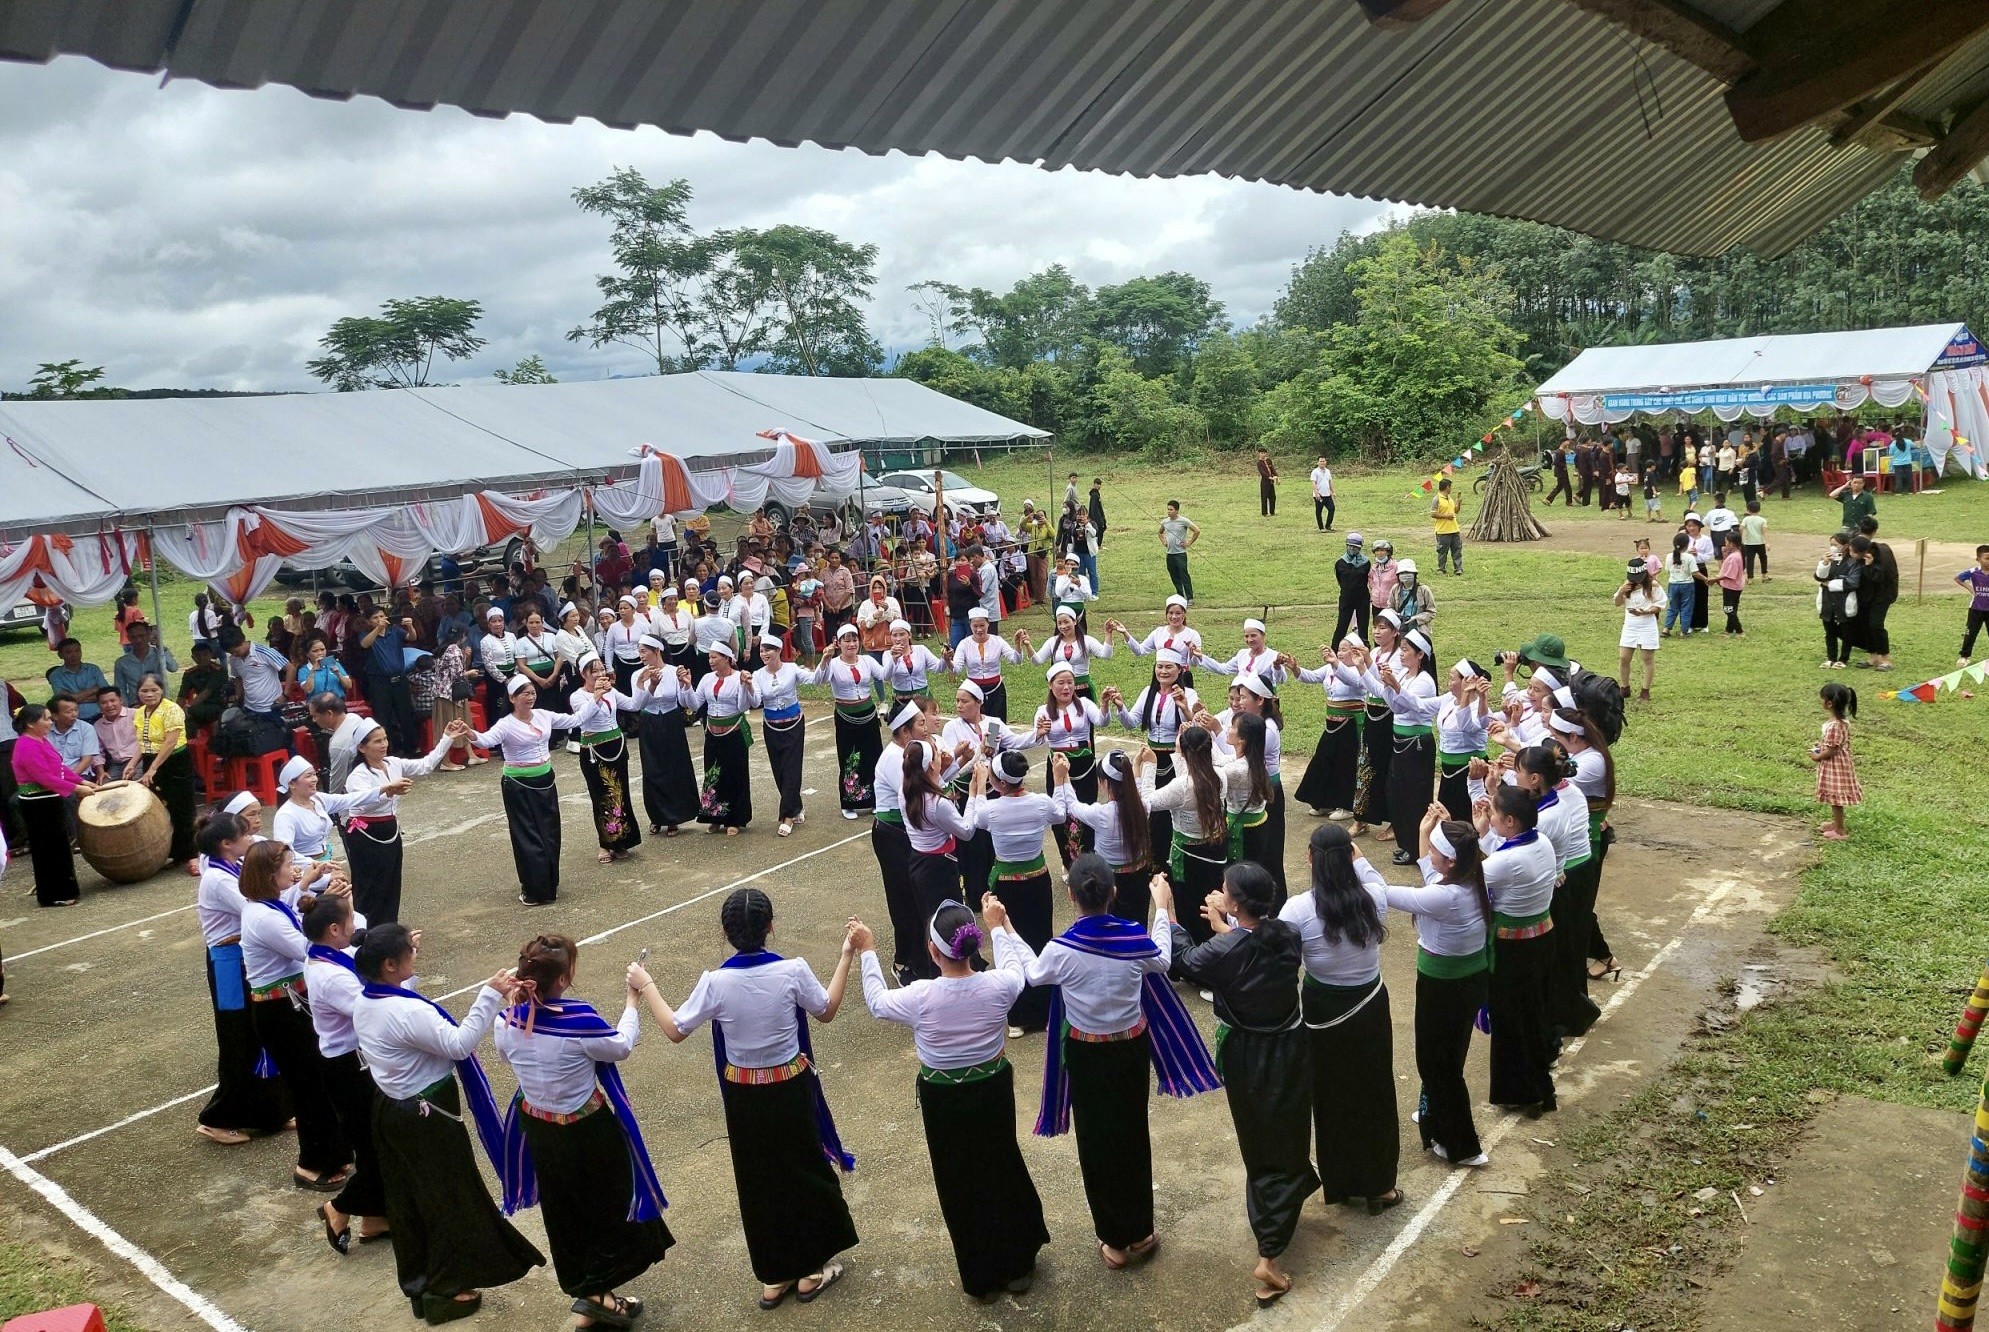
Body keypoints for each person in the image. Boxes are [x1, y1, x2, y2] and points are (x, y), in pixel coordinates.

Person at [630, 888, 858, 1309]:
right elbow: (826, 1010)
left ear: (725, 932)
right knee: (804, 1169)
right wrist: (846, 955)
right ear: (771, 927)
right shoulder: (792, 970)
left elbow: (675, 1029)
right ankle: (810, 1269)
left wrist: (647, 986)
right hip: (789, 1086)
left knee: (758, 1178)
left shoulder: (715, 982)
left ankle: (774, 1275)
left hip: (744, 1094)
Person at [1004, 854, 1216, 1269]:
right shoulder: (1133, 938)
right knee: (1132, 1135)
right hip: (1130, 1050)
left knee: (1097, 1143)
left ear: (1071, 896)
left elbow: (1032, 974)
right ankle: (1140, 1231)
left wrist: (1007, 930)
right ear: (1114, 893)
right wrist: (1161, 907)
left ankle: (1114, 1241)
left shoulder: (1061, 950)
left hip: (1087, 1054)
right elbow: (1162, 957)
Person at [851, 901, 1046, 1302]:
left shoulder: (920, 996)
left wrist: (868, 950)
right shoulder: (998, 986)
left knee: (958, 1180)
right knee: (1001, 1165)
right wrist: (999, 925)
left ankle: (980, 1275)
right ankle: (1017, 1265)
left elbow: (875, 1002)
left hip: (943, 1098)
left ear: (932, 951)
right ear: (971, 947)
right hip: (991, 1088)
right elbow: (1016, 968)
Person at [352, 923, 545, 1324]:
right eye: (409, 952)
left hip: (392, 1108)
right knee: (446, 1198)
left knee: (409, 1200)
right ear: (390, 965)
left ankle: (422, 1282)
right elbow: (458, 1043)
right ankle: (444, 1285)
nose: (415, 954)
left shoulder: (369, 998)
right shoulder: (405, 1011)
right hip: (426, 1114)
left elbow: (406, 1002)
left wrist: (404, 954)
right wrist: (489, 995)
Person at [494, 935, 672, 1329]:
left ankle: (590, 1291)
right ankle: (598, 1294)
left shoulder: (506, 1019)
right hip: (587, 1131)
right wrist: (631, 1002)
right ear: (562, 980)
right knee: (610, 1207)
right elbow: (621, 1046)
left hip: (539, 1127)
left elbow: (507, 1056)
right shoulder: (579, 1021)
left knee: (564, 1211)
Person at [1168, 861, 1315, 1307]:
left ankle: (1270, 1247)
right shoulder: (1286, 933)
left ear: (1233, 902)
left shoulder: (1226, 949)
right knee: (1286, 1134)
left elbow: (1185, 961)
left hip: (1248, 1055)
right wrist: (1226, 924)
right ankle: (1277, 1228)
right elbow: (1252, 943)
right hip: (1291, 1048)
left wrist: (1167, 915)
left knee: (1261, 1142)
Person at [1280, 824, 1400, 1214]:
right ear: (1350, 856)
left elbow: (1278, 958)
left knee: (1330, 1096)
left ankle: (1340, 1182)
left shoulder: (1297, 910)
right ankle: (1380, 1185)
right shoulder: (1374, 898)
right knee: (1375, 1091)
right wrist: (1356, 855)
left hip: (1322, 1008)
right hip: (1368, 1005)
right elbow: (1373, 877)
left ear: (1310, 859)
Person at [237, 841, 352, 1191]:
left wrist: (305, 889)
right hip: (280, 1010)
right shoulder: (263, 917)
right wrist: (330, 910)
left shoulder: (267, 905)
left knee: (316, 1080)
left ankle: (334, 1148)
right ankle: (312, 1162)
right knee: (309, 1085)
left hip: (290, 1005)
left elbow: (288, 909)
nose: (295, 870)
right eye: (289, 866)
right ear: (271, 875)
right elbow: (307, 947)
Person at [1385, 808, 1491, 1167]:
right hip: (1469, 978)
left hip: (1443, 986)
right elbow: (1430, 873)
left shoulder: (1446, 898)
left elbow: (1388, 894)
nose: (1427, 855)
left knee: (1435, 1064)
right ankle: (1433, 1119)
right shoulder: (1475, 875)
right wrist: (1424, 829)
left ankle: (1463, 1145)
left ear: (1450, 861)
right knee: (1448, 1057)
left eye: (1434, 850)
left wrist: (1352, 864)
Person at [193, 813, 294, 1145]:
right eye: (245, 835)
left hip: (243, 959)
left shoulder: (230, 868)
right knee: (237, 1038)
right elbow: (256, 909)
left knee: (260, 1035)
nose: (251, 838)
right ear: (226, 844)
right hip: (228, 966)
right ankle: (217, 1118)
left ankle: (270, 1112)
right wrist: (299, 886)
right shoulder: (218, 879)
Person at [301, 893, 390, 1251]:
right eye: (350, 921)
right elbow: (369, 1011)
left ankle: (376, 1219)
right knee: (376, 1147)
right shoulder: (330, 975)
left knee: (374, 1144)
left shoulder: (330, 954)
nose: (356, 927)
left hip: (351, 1062)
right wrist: (394, 971)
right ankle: (338, 1207)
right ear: (334, 929)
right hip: (349, 1067)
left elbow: (362, 934)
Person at [971, 749, 1074, 1034]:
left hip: (1006, 883)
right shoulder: (1040, 803)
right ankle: (1044, 1011)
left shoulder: (991, 809)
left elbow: (975, 818)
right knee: (1040, 941)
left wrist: (978, 785)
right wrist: (1059, 779)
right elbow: (1060, 813)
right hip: (1037, 880)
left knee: (1009, 944)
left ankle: (1017, 1016)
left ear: (1000, 783)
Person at [342, 715, 467, 923]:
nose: (384, 745)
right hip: (365, 834)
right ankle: (365, 933)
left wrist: (447, 738)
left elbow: (425, 766)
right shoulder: (358, 775)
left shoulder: (393, 763)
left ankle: (388, 928)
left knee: (391, 882)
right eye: (377, 741)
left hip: (389, 829)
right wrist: (388, 790)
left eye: (385, 739)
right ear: (362, 748)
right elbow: (361, 800)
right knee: (369, 886)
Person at [472, 678, 584, 905]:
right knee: (528, 837)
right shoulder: (505, 724)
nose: (531, 697)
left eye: (532, 692)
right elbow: (486, 741)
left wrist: (597, 697)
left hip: (545, 780)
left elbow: (576, 719)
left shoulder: (544, 715)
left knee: (550, 834)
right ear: (512, 698)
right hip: (519, 786)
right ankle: (534, 889)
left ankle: (549, 883)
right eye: (525, 694)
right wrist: (469, 733)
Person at [1137, 726, 1230, 947]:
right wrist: (1181, 751)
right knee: (1210, 902)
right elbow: (1188, 780)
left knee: (1189, 906)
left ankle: (1191, 956)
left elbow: (1148, 801)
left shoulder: (1182, 787)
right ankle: (1213, 947)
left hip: (1188, 856)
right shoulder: (1220, 775)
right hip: (1215, 848)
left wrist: (1150, 765)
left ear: (1186, 752)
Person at [11, 704, 99, 906]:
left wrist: (81, 781)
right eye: (47, 719)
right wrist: (77, 789)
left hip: (49, 800)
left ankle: (65, 889)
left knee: (59, 846)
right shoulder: (26, 746)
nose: (51, 722)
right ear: (32, 723)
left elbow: (58, 768)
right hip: (37, 804)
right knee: (47, 848)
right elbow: (45, 777)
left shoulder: (40, 740)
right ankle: (53, 894)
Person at [564, 656, 642, 863]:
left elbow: (634, 704)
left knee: (621, 792)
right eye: (594, 671)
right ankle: (605, 843)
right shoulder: (577, 696)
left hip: (616, 744)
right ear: (583, 674)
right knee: (601, 796)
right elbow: (583, 718)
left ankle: (622, 840)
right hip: (593, 749)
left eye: (602, 670)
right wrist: (597, 695)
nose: (600, 675)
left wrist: (644, 683)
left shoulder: (612, 692)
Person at [1371, 629, 1439, 866]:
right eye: (1401, 649)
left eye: (1407, 650)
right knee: (1396, 793)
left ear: (1421, 654)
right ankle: (1406, 843)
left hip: (1416, 745)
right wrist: (1385, 683)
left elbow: (1413, 707)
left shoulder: (1424, 681)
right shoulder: (1405, 676)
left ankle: (1416, 847)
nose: (1401, 654)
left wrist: (1395, 687)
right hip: (1400, 742)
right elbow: (1394, 706)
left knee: (1415, 797)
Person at [1029, 662, 1105, 865]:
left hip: (1085, 765)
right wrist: (1040, 732)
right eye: (1060, 683)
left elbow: (1102, 721)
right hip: (1058, 767)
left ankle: (1089, 857)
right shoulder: (1043, 711)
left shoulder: (1086, 704)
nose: (1066, 688)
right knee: (1060, 814)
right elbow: (1038, 738)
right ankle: (1068, 861)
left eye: (1070, 683)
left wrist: (1105, 705)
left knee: (1086, 810)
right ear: (1050, 685)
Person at [681, 640, 758, 835]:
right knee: (713, 774)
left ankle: (734, 819)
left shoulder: (738, 677)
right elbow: (694, 704)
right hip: (712, 732)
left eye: (715, 657)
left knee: (735, 775)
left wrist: (743, 686)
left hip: (733, 731)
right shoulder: (707, 678)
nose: (711, 660)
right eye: (709, 657)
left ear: (727, 659)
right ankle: (714, 816)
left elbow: (743, 707)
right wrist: (687, 686)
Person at [814, 626, 887, 820]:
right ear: (838, 643)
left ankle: (874, 801)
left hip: (868, 714)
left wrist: (895, 657)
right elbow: (818, 680)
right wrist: (824, 659)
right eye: (847, 640)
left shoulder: (867, 661)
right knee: (849, 758)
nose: (852, 644)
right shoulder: (834, 664)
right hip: (846, 716)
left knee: (873, 756)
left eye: (855, 640)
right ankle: (849, 803)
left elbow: (884, 674)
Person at [628, 636, 698, 837]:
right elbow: (637, 705)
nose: (640, 656)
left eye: (644, 651)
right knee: (653, 769)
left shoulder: (673, 671)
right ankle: (657, 816)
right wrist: (647, 684)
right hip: (649, 723)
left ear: (657, 651)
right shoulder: (637, 675)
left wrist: (686, 685)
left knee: (674, 767)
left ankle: (674, 817)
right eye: (639, 651)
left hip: (671, 721)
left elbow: (689, 704)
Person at [1291, 639, 1366, 820]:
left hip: (1349, 723)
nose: (1340, 653)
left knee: (1345, 764)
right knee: (1324, 759)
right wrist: (1295, 668)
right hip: (1331, 722)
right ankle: (1324, 801)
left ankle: (1346, 805)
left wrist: (1335, 663)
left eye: (1344, 650)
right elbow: (1311, 676)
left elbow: (1354, 682)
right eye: (1338, 649)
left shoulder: (1360, 671)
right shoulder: (1329, 669)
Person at [132, 674, 196, 870]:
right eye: (144, 691)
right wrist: (133, 763)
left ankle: (191, 855)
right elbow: (144, 742)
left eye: (154, 690)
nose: (149, 694)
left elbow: (170, 742)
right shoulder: (140, 712)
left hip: (174, 760)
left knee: (182, 807)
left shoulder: (171, 709)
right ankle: (172, 852)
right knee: (160, 806)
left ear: (161, 690)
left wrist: (152, 768)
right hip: (152, 759)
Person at [752, 633, 811, 836]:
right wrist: (747, 686)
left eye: (768, 650)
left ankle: (787, 816)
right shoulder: (758, 675)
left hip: (793, 724)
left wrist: (826, 660)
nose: (764, 654)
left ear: (778, 651)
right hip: (771, 726)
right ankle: (796, 807)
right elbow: (755, 701)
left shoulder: (792, 669)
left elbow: (815, 679)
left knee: (792, 768)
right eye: (761, 650)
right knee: (779, 770)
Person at [1434, 659, 1491, 820]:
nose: (1448, 682)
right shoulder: (1449, 701)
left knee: (1466, 818)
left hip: (1469, 771)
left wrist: (1467, 694)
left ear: (1466, 681)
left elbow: (1467, 726)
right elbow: (1419, 705)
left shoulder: (1480, 707)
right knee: (1448, 817)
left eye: (1452, 678)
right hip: (1449, 771)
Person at [359, 610, 420, 758]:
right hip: (379, 682)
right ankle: (389, 750)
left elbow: (412, 637)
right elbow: (365, 644)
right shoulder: (366, 634)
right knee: (383, 716)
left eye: (381, 616)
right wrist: (378, 629)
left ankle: (411, 748)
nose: (379, 619)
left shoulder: (395, 631)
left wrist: (411, 626)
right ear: (369, 621)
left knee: (406, 714)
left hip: (399, 679)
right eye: (375, 617)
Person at [1812, 683, 1861, 841]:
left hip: (1835, 766)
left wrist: (1818, 756)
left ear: (1829, 703)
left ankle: (1840, 830)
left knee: (1836, 798)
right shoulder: (1840, 722)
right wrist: (1820, 746)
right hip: (1836, 764)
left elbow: (1833, 749)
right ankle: (1836, 824)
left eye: (1822, 699)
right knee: (1834, 798)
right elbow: (1833, 744)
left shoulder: (1835, 726)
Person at [1850, 526, 1897, 670]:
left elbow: (1879, 579)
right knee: (1865, 624)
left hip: (1882, 596)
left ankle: (1886, 659)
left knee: (1876, 625)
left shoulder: (1881, 555)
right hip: (1865, 596)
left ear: (1863, 552)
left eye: (1853, 552)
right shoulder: (1859, 558)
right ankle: (1873, 657)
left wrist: (1869, 566)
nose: (1850, 554)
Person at [1615, 558, 1661, 702]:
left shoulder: (1653, 585)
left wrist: (1644, 612)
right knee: (1624, 657)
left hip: (1647, 624)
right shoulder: (1627, 585)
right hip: (1630, 625)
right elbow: (1617, 603)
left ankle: (1645, 691)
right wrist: (1621, 592)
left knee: (1647, 658)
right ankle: (1624, 687)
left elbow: (1659, 606)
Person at [1815, 531, 1863, 670]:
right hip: (1827, 601)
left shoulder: (1853, 563)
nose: (1832, 548)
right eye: (1831, 545)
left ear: (1845, 546)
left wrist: (1830, 584)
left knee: (1846, 632)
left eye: (1835, 545)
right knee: (1829, 631)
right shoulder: (1828, 560)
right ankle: (1831, 658)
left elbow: (1852, 582)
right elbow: (1819, 576)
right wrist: (1824, 563)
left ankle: (1843, 659)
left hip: (1844, 602)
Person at [114, 619, 178, 705]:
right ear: (128, 638)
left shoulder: (159, 654)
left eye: (141, 636)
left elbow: (173, 668)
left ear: (148, 635)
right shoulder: (122, 663)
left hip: (161, 703)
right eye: (134, 637)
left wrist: (160, 645)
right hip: (136, 705)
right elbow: (120, 688)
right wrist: (128, 708)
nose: (138, 640)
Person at [45, 640, 109, 721]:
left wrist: (75, 698)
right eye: (69, 652)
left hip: (100, 715)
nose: (74, 655)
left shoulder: (93, 669)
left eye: (77, 651)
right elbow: (64, 701)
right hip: (73, 720)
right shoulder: (56, 676)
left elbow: (106, 694)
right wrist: (93, 690)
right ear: (60, 655)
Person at [1660, 530, 1701, 638]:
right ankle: (1684, 631)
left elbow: (1668, 570)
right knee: (1686, 608)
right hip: (1687, 585)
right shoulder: (1689, 557)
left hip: (1673, 584)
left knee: (1673, 607)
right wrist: (1706, 579)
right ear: (1687, 544)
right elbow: (1695, 573)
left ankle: (1666, 629)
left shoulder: (1669, 556)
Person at [1331, 533, 1370, 644]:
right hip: (1346, 598)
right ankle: (1334, 651)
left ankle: (1364, 651)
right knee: (1342, 626)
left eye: (1356, 547)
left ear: (1360, 548)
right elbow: (1340, 579)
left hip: (1362, 598)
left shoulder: (1366, 562)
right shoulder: (1340, 563)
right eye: (1350, 546)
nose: (1352, 548)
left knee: (1363, 627)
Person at [1157, 500, 1199, 604]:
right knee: (1174, 575)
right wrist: (1164, 541)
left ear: (1176, 510)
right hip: (1169, 554)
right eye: (1168, 509)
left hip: (1180, 554)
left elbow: (1197, 530)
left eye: (1171, 510)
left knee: (1183, 575)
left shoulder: (1183, 521)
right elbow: (1160, 532)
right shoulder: (1165, 522)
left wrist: (1188, 543)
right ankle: (1180, 596)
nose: (1168, 512)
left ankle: (1189, 597)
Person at [1956, 545, 1989, 666]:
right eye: (1987, 558)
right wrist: (1970, 588)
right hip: (1976, 609)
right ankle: (1964, 656)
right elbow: (1958, 578)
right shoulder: (1973, 572)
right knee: (1971, 633)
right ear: (1978, 559)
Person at [1429, 477, 1464, 575]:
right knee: (1442, 551)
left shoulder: (1450, 499)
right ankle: (1441, 569)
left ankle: (1458, 569)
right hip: (1443, 530)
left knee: (1457, 550)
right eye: (1450, 487)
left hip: (1454, 529)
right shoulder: (1437, 499)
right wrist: (1446, 516)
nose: (1451, 489)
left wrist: (1458, 503)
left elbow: (1455, 511)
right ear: (1447, 487)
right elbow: (1433, 513)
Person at [1717, 533, 1746, 636]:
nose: (1725, 544)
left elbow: (1730, 575)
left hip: (1731, 587)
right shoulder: (1737, 555)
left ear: (1732, 544)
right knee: (1733, 608)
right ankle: (1729, 629)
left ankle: (1739, 630)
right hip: (1736, 586)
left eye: (1726, 542)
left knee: (1728, 609)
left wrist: (1715, 579)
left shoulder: (1734, 557)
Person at [1740, 500, 1770, 582]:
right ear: (1759, 510)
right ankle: (1764, 575)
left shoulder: (1746, 519)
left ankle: (1750, 578)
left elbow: (1741, 528)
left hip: (1749, 543)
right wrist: (1767, 543)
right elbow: (1765, 532)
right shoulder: (1762, 520)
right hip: (1760, 542)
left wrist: (1740, 538)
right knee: (1763, 558)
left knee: (1749, 560)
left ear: (1748, 510)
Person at [1309, 456, 1336, 531]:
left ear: (1326, 462)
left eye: (1323, 461)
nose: (1322, 463)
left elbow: (1330, 482)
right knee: (1319, 511)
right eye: (1321, 461)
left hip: (1327, 494)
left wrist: (1333, 492)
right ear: (1318, 462)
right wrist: (1316, 493)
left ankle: (1328, 525)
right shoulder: (1315, 472)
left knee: (1332, 509)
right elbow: (1314, 483)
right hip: (1319, 495)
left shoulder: (1327, 471)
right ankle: (1321, 527)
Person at [1255, 447, 1280, 518]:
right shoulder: (1259, 463)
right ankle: (1264, 513)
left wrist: (1277, 477)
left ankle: (1272, 512)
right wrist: (1269, 477)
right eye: (1261, 453)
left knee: (1273, 497)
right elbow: (1262, 472)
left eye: (1264, 453)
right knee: (1264, 497)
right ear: (1259, 454)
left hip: (1271, 482)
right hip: (1264, 482)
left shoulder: (1268, 460)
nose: (1263, 454)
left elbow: (1272, 469)